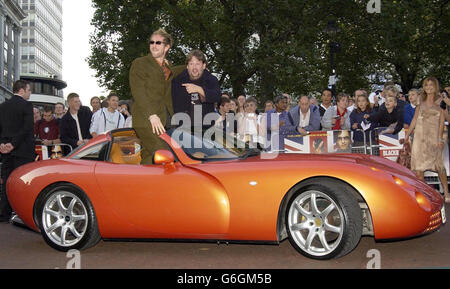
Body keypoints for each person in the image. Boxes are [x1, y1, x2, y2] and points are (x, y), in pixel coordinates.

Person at [129, 28, 184, 164]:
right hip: (146, 120)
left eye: (158, 43)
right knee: (166, 153)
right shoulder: (140, 63)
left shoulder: (167, 67)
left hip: (165, 119)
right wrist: (151, 115)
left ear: (166, 47)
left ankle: (144, 183)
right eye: (151, 42)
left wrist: (192, 66)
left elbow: (174, 72)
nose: (153, 45)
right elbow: (138, 91)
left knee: (150, 157)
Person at [404, 77, 449, 203]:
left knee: (439, 165)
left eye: (431, 85)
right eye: (426, 85)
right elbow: (414, 119)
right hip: (420, 136)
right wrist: (408, 135)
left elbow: (442, 121)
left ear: (435, 86)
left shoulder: (441, 101)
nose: (429, 87)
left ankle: (446, 191)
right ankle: (426, 194)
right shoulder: (420, 100)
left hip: (435, 136)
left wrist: (440, 139)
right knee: (419, 167)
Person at [0, 80, 35, 222]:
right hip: (23, 151)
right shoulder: (27, 105)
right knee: (23, 183)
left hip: (6, 151)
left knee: (7, 182)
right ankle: (23, 214)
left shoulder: (2, 106)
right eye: (29, 90)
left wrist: (3, 144)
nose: (29, 93)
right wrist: (13, 144)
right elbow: (27, 129)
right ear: (22, 90)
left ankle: (4, 213)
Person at [172, 49, 221, 124]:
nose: (194, 67)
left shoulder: (211, 79)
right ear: (187, 66)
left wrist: (199, 89)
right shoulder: (178, 81)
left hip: (205, 127)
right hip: (182, 127)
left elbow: (217, 96)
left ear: (204, 66)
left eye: (198, 64)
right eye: (191, 64)